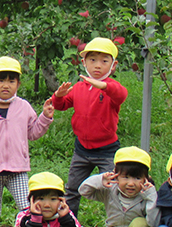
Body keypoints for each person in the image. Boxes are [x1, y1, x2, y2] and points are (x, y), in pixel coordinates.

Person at [49, 37, 128, 217]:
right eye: (92, 60)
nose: (97, 65)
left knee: (113, 191)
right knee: (72, 190)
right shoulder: (79, 87)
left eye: (104, 61)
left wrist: (104, 86)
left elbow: (121, 95)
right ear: (84, 62)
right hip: (82, 150)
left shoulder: (112, 88)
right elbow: (62, 105)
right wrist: (58, 96)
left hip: (107, 151)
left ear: (113, 65)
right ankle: (69, 226)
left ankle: (117, 224)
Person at [0, 56, 54, 221]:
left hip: (18, 169)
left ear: (18, 84)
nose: (6, 85)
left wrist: (45, 117)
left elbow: (33, 133)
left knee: (26, 208)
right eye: (1, 80)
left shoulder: (24, 107)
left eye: (11, 81)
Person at [74, 146, 159, 227]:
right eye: (126, 177)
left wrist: (152, 199)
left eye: (137, 178)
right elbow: (83, 190)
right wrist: (100, 179)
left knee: (140, 224)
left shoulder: (146, 195)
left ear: (146, 178)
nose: (131, 183)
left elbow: (154, 223)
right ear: (115, 175)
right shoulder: (110, 191)